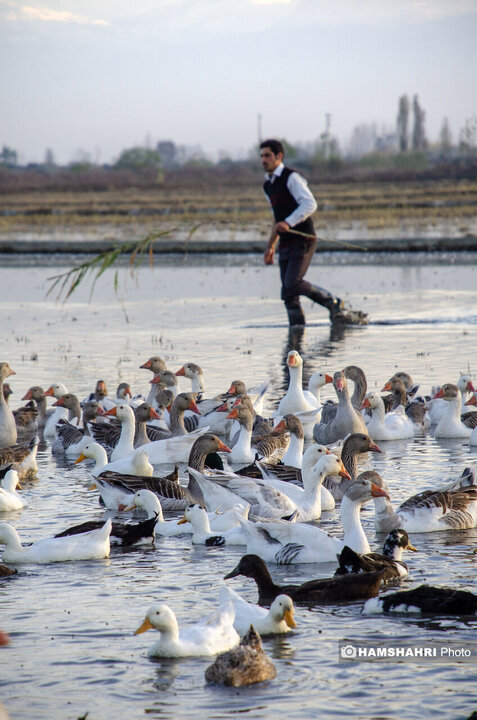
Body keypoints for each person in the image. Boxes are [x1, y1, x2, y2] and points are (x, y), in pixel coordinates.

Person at [260, 139, 367, 327]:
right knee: (288, 293)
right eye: (261, 156)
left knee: (293, 283)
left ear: (279, 157)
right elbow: (277, 219)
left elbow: (310, 204)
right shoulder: (268, 185)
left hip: (303, 239)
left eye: (267, 155)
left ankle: (333, 302)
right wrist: (270, 247)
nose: (263, 160)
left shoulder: (291, 177)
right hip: (285, 242)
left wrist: (288, 222)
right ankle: (296, 333)